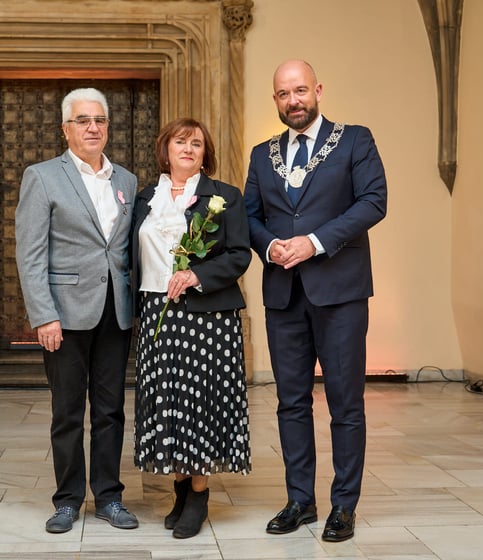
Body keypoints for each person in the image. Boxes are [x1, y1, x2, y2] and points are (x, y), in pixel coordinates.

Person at [243, 60, 387, 541]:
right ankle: (300, 500)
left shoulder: (355, 140)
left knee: (346, 404)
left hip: (340, 293)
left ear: (318, 90)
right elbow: (249, 216)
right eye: (284, 94)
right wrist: (268, 246)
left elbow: (372, 202)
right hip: (284, 295)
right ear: (276, 100)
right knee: (291, 403)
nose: (293, 101)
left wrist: (314, 242)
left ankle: (343, 505)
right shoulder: (262, 155)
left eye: (300, 90)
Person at [15, 87, 139, 534]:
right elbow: (30, 253)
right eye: (83, 120)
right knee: (67, 411)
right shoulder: (43, 176)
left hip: (115, 313)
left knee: (110, 410)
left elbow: (126, 249)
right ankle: (67, 500)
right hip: (64, 315)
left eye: (100, 120)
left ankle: (108, 496)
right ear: (66, 129)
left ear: (108, 127)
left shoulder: (126, 181)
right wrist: (43, 315)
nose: (93, 127)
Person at [131, 117, 252, 539]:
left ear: (206, 154)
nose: (189, 149)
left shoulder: (226, 197)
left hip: (207, 316)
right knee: (167, 402)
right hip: (156, 312)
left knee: (200, 403)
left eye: (197, 144)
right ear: (165, 150)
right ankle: (179, 486)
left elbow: (239, 254)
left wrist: (197, 276)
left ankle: (199, 492)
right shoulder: (145, 197)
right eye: (180, 142)